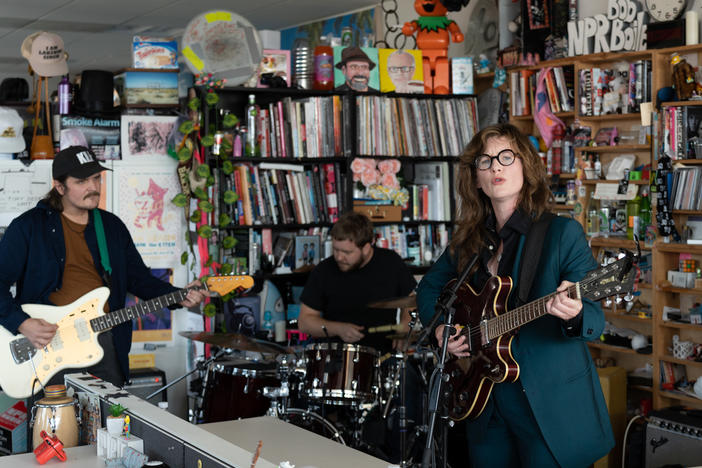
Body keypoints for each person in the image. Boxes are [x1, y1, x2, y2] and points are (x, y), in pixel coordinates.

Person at [416, 123, 614, 467]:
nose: (496, 167)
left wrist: (574, 311)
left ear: (526, 167)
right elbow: (429, 288)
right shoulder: (469, 242)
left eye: (506, 157)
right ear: (476, 179)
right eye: (485, 161)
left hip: (547, 406)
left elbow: (595, 316)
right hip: (483, 398)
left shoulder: (562, 233)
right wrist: (440, 331)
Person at [0, 146, 206, 390]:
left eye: (96, 178)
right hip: (48, 346)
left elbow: (139, 279)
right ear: (59, 186)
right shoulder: (28, 227)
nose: (94, 187)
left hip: (105, 343)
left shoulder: (111, 227)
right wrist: (22, 323)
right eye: (82, 181)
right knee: (56, 427)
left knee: (109, 423)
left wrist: (179, 295)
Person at [298, 211, 416, 352]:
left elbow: (411, 300)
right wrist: (338, 329)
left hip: (383, 355)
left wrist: (405, 324)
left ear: (366, 247)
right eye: (336, 250)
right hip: (336, 356)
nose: (339, 257)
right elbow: (305, 322)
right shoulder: (324, 270)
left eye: (347, 252)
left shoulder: (391, 262)